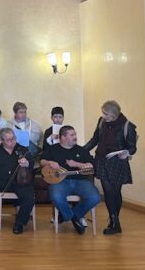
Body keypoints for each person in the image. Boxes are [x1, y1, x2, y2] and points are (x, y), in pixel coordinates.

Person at [83, 100, 137, 235]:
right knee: (108, 191)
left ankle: (114, 221)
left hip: (118, 162)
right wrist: (80, 151)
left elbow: (132, 147)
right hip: (102, 160)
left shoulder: (127, 126)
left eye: (106, 114)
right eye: (103, 113)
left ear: (114, 114)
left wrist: (126, 153)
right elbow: (95, 139)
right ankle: (114, 221)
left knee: (116, 192)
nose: (103, 116)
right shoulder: (101, 122)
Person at [40, 126, 101, 235]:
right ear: (63, 137)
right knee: (56, 196)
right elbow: (42, 161)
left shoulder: (81, 150)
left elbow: (91, 165)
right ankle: (73, 218)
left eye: (75, 134)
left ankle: (68, 215)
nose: (75, 137)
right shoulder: (52, 149)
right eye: (72, 135)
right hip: (60, 182)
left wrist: (76, 164)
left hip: (81, 181)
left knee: (95, 197)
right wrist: (49, 162)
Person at [0, 128, 35, 234]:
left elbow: (31, 164)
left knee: (30, 196)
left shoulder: (23, 150)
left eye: (13, 138)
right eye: (8, 140)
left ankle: (19, 223)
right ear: (1, 140)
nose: (12, 141)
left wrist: (27, 163)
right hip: (0, 182)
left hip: (19, 182)